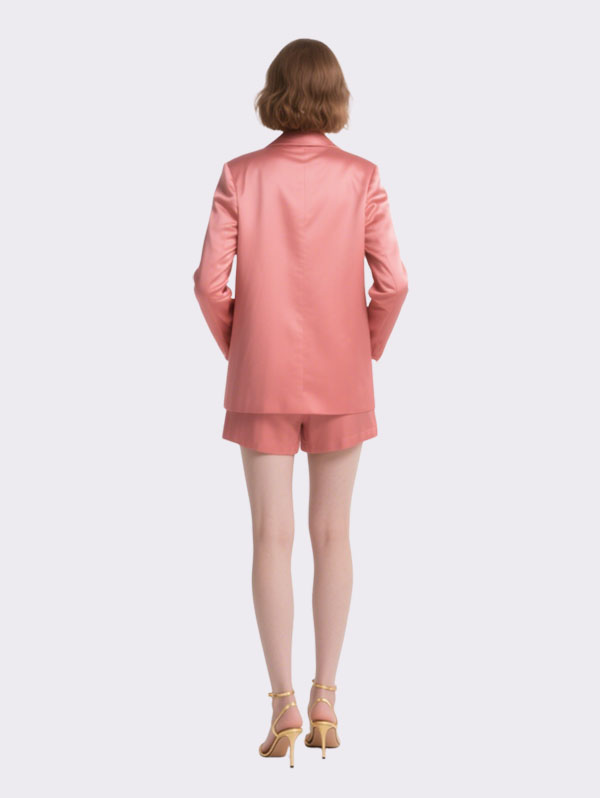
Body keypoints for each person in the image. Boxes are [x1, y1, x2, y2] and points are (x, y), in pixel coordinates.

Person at [193, 38, 408, 767]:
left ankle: (282, 703)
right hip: (343, 377)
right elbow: (394, 283)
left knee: (270, 537)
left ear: (275, 92)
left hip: (262, 377)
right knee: (334, 535)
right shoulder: (362, 177)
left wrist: (243, 347)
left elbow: (208, 283)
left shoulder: (240, 175)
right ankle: (326, 701)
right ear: (336, 95)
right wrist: (363, 346)